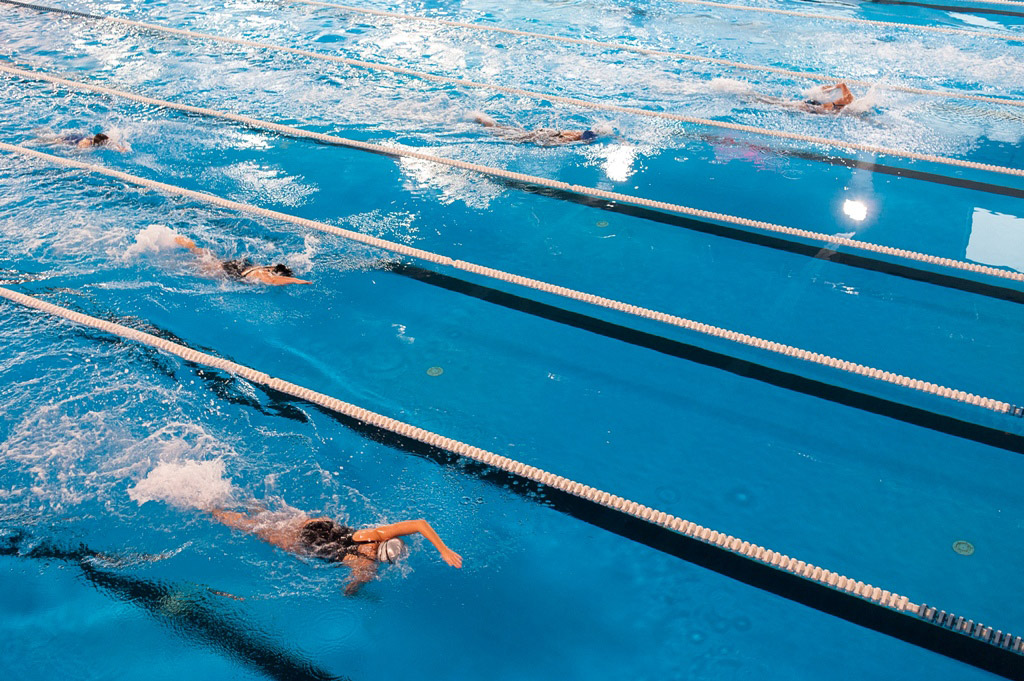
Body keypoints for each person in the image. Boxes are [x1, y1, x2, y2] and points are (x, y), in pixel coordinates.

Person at [209, 507, 463, 595]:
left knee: (271, 519)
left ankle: (242, 506)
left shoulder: (376, 534)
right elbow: (348, 590)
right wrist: (356, 590)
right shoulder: (366, 566)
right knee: (259, 531)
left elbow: (419, 524)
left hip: (320, 525)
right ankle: (213, 512)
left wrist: (444, 550)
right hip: (312, 543)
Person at [174, 236, 312, 285]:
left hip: (241, 265)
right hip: (233, 270)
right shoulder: (264, 275)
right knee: (189, 268)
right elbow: (274, 281)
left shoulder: (264, 268)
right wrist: (297, 280)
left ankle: (190, 245)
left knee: (210, 259)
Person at [472, 112, 609, 146]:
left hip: (544, 132)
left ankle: (484, 120)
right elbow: (548, 144)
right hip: (540, 136)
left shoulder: (576, 133)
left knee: (506, 130)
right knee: (504, 135)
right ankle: (482, 120)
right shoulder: (571, 140)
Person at [755, 83, 857, 114]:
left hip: (814, 106)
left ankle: (757, 97)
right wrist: (829, 89)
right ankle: (755, 99)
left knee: (782, 103)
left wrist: (826, 90)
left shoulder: (847, 105)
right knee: (780, 104)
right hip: (813, 107)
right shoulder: (848, 100)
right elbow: (842, 84)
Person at [40, 130, 130, 151]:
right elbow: (77, 151)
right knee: (50, 141)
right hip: (71, 140)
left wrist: (120, 148)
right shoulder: (86, 143)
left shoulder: (97, 139)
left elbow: (111, 141)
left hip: (77, 136)